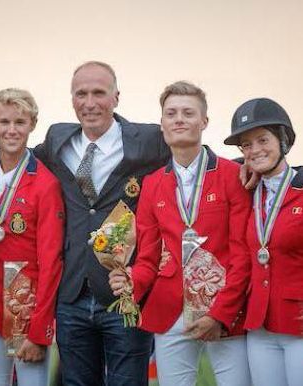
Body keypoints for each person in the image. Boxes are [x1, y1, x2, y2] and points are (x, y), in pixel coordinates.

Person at [33, 61, 170, 386]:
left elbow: (190, 151)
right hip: (72, 293)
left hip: (123, 292)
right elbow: (16, 154)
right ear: (72, 99)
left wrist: (247, 167)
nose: (90, 102)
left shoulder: (148, 139)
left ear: (116, 97)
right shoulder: (57, 139)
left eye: (99, 93)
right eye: (82, 94)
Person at [109, 81, 252, 386]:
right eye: (171, 113)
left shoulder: (232, 176)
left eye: (188, 113)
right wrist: (130, 280)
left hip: (225, 310)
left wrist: (221, 314)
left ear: (204, 121)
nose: (179, 119)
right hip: (170, 312)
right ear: (162, 124)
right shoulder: (151, 184)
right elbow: (148, 257)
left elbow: (242, 255)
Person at [0, 88, 64, 386]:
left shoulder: (46, 183)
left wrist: (40, 328)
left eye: (20, 122)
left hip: (25, 305)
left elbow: (51, 260)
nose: (11, 130)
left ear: (33, 124)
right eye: (4, 122)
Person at [224, 98, 303, 386]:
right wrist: (238, 165)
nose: (255, 150)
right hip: (260, 327)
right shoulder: (246, 190)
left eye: (262, 140)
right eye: (246, 145)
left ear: (283, 140)